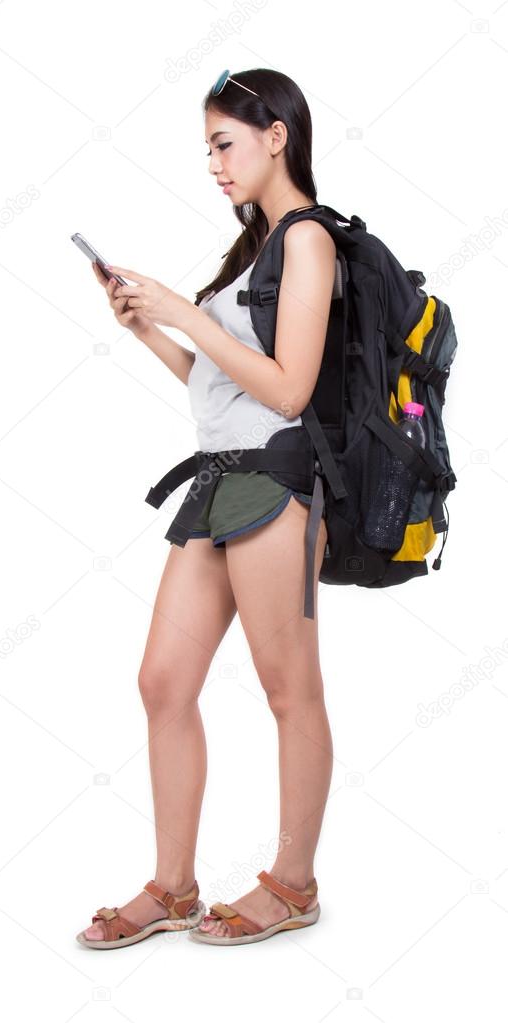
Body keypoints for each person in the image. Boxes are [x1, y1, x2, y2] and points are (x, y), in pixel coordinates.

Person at [77, 67, 337, 948]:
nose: (215, 165)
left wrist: (187, 312)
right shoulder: (252, 252)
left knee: (287, 689)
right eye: (207, 150)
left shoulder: (306, 242)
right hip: (217, 480)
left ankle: (292, 884)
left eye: (224, 144)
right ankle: (175, 885)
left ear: (277, 136)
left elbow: (290, 388)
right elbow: (222, 385)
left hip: (276, 481)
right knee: (161, 681)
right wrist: (151, 329)